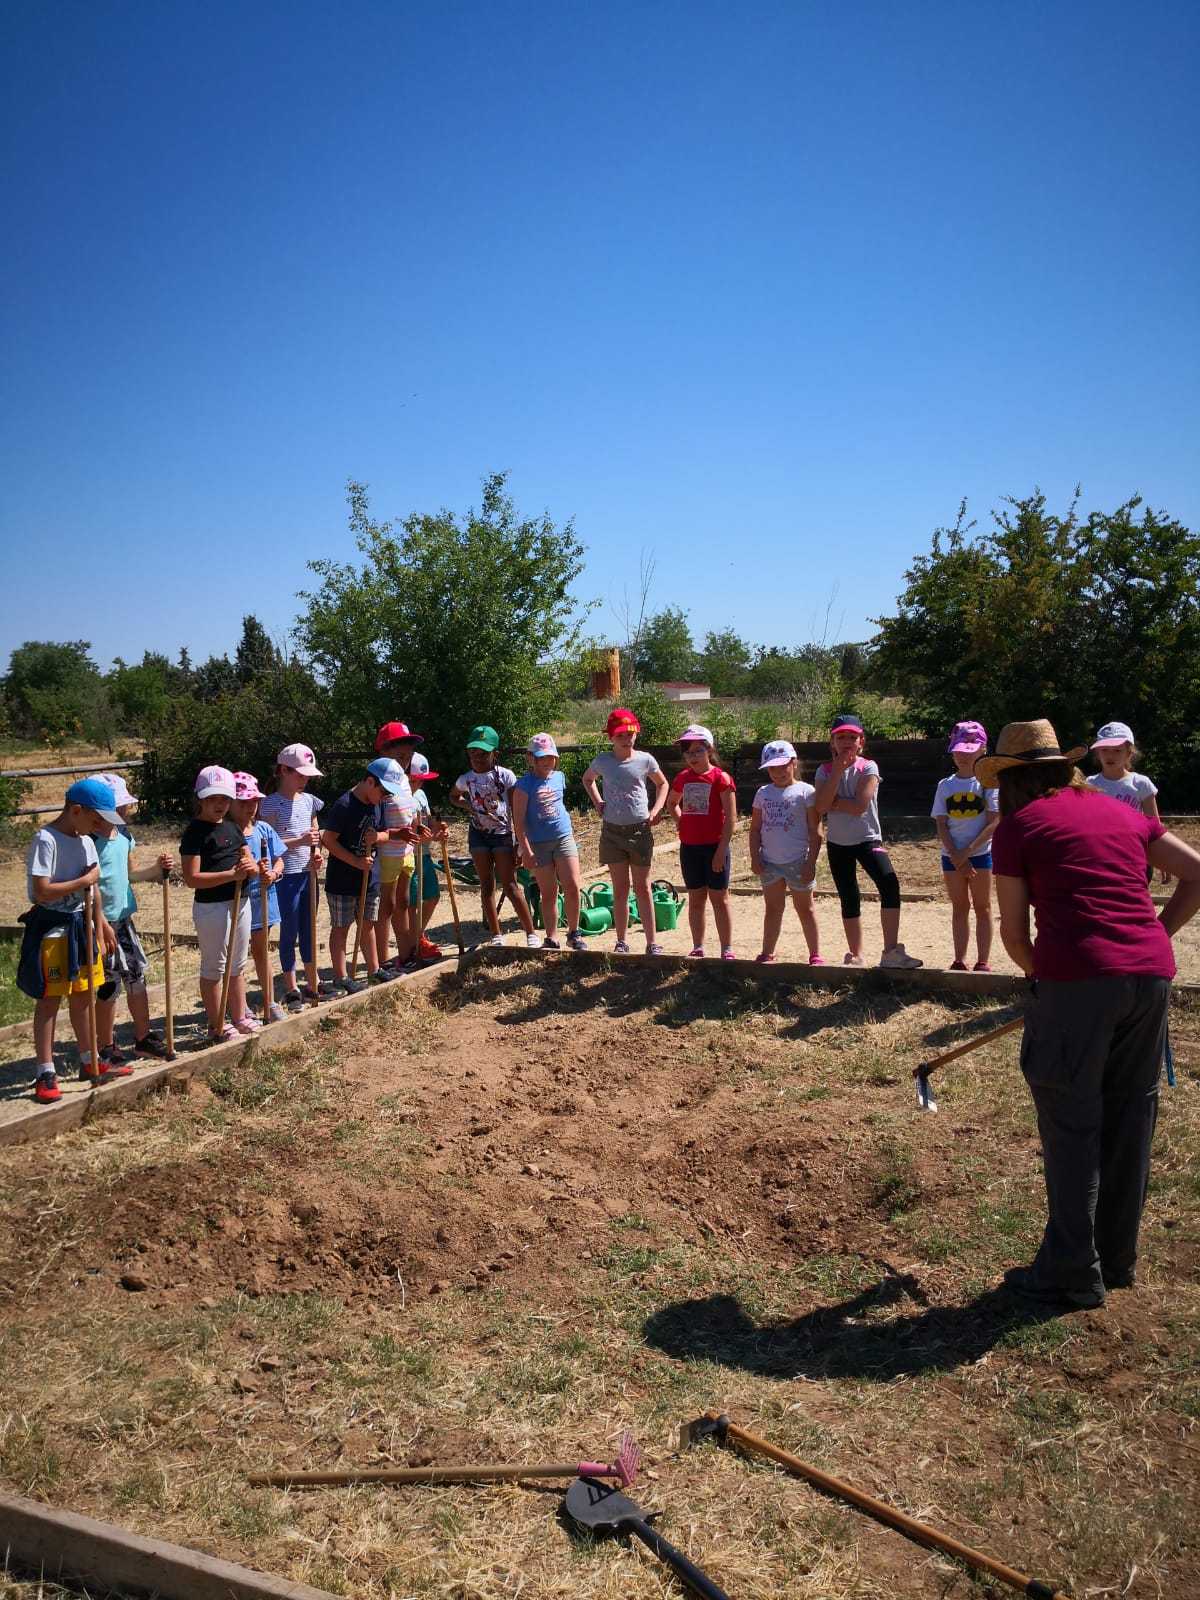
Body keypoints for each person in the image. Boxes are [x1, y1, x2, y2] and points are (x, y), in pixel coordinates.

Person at [985, 719, 1200, 1309]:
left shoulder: (1019, 827)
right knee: (1131, 1115)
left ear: (1013, 780)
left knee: (1072, 1120)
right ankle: (1116, 1257)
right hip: (1149, 978)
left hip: (1076, 982)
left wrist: (1043, 979)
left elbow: (1013, 932)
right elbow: (1197, 872)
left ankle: (1072, 1271)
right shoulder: (1123, 813)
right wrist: (1153, 936)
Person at [18, 778, 126, 1101]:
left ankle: (89, 1060)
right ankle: (45, 1071)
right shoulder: (46, 840)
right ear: (76, 810)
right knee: (50, 1000)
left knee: (83, 995)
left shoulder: (87, 842)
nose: (100, 827)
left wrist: (101, 926)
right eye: (96, 819)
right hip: (52, 929)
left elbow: (93, 891)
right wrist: (83, 881)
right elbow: (42, 891)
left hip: (82, 927)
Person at [813, 714, 922, 969]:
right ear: (832, 742)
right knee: (848, 895)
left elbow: (859, 806)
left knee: (889, 884)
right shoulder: (824, 770)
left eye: (852, 737)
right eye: (841, 737)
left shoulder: (869, 767)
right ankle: (856, 954)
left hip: (868, 839)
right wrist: (836, 773)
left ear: (861, 742)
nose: (846, 742)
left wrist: (832, 801)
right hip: (838, 844)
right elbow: (820, 806)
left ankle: (891, 951)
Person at [92, 770, 174, 1063]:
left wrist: (157, 870)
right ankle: (105, 1045)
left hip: (124, 920)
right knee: (108, 984)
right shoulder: (88, 841)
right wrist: (99, 922)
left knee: (136, 977)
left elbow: (130, 875)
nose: (126, 809)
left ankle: (143, 1038)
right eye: (120, 805)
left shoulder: (124, 835)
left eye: (125, 804)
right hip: (99, 923)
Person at [581, 708, 669, 955]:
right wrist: (598, 802)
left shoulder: (645, 760)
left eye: (630, 733)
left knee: (643, 888)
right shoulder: (603, 761)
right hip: (612, 832)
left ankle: (652, 942)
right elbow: (587, 779)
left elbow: (663, 784)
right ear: (611, 737)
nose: (626, 738)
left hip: (640, 830)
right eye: (620, 734)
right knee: (620, 889)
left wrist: (656, 809)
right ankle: (621, 941)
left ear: (636, 734)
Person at [179, 765, 257, 1043]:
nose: (219, 804)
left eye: (224, 798)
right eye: (212, 798)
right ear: (200, 798)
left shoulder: (232, 827)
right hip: (212, 907)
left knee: (238, 964)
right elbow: (192, 878)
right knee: (215, 967)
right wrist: (231, 875)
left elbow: (248, 859)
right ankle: (217, 1024)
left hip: (240, 901)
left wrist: (252, 867)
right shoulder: (194, 832)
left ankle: (240, 1016)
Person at [321, 758, 409, 992]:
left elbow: (384, 832)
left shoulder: (377, 803)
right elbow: (328, 840)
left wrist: (378, 837)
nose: (386, 797)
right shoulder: (344, 805)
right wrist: (355, 861)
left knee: (367, 923)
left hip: (368, 878)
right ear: (370, 781)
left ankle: (374, 970)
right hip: (342, 879)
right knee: (341, 927)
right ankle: (341, 977)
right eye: (384, 791)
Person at [449, 724, 537, 947]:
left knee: (510, 884)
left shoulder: (505, 776)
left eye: (483, 753)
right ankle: (495, 934)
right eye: (473, 753)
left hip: (502, 834)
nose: (477, 758)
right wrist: (468, 806)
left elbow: (516, 808)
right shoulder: (466, 779)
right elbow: (454, 796)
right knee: (486, 885)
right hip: (478, 835)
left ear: (494, 754)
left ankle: (530, 933)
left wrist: (519, 842)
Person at [259, 743, 328, 1012]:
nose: (305, 780)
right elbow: (268, 842)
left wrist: (317, 854)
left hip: (307, 874)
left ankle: (313, 981)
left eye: (307, 775)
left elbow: (315, 835)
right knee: (289, 932)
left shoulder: (309, 801)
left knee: (309, 929)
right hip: (285, 876)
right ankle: (291, 988)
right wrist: (299, 841)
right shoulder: (270, 804)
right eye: (300, 774)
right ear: (284, 771)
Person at [930, 720, 999, 972]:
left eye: (970, 750)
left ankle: (983, 960)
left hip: (980, 855)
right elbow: (941, 823)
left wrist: (966, 853)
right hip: (951, 857)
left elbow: (994, 822)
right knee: (959, 907)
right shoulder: (945, 785)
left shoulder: (989, 784)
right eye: (959, 751)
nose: (964, 756)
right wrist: (955, 855)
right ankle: (959, 959)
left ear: (983, 750)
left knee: (983, 906)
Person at [748, 740, 823, 964]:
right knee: (772, 908)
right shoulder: (763, 793)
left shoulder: (806, 791)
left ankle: (815, 953)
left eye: (783, 766)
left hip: (798, 861)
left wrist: (810, 862)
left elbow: (815, 830)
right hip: (770, 862)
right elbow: (755, 829)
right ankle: (767, 951)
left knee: (805, 909)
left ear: (794, 763)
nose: (778, 772)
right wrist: (755, 856)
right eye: (772, 768)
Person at [668, 724, 737, 960]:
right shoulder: (682, 778)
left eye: (698, 750)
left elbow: (731, 818)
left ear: (710, 750)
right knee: (696, 898)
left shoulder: (721, 778)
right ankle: (698, 946)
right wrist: (681, 822)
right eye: (688, 752)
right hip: (690, 848)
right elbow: (672, 803)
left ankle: (726, 948)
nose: (693, 757)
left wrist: (721, 851)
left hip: (715, 847)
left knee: (719, 899)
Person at [512, 733, 586, 951]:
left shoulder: (559, 777)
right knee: (548, 892)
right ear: (531, 758)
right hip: (538, 843)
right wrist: (526, 851)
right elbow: (518, 822)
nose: (546, 761)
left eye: (550, 757)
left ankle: (574, 933)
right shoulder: (524, 785)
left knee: (572, 885)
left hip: (563, 836)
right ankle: (552, 937)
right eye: (541, 757)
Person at [230, 772, 287, 1023]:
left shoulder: (264, 829)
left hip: (264, 898)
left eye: (254, 801)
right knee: (238, 955)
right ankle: (240, 1006)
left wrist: (273, 873)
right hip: (240, 901)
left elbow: (279, 859)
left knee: (262, 950)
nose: (249, 807)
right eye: (243, 802)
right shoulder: (228, 833)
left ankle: (270, 1001)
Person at [1086, 721, 1168, 887]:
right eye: (1104, 750)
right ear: (1097, 753)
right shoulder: (1088, 784)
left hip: (1135, 858)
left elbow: (1154, 827)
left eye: (1117, 750)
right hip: (1101, 858)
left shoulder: (1141, 783)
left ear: (1129, 753)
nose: (1110, 755)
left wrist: (1164, 859)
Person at [407, 752, 447, 961]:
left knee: (432, 896)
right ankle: (414, 943)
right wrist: (421, 835)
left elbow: (430, 822)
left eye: (421, 780)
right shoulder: (400, 797)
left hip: (424, 854)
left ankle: (417, 937)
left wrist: (439, 830)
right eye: (414, 780)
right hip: (409, 857)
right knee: (412, 903)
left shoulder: (421, 795)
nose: (418, 784)